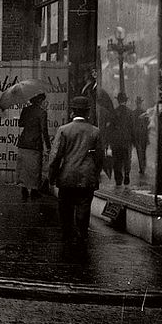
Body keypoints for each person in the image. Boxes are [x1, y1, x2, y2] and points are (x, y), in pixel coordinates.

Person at [49, 95, 104, 248]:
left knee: (65, 209)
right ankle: (81, 237)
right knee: (84, 209)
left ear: (72, 112)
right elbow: (100, 157)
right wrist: (95, 173)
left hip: (66, 177)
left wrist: (52, 177)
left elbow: (55, 157)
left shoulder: (63, 130)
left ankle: (67, 238)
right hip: (86, 178)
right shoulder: (95, 131)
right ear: (87, 112)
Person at [15, 91, 51, 199]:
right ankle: (34, 191)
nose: (45, 102)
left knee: (24, 167)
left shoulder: (26, 110)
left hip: (24, 142)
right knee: (35, 167)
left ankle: (24, 189)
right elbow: (44, 129)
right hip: (35, 143)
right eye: (43, 100)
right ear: (40, 100)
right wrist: (48, 146)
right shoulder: (42, 112)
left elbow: (20, 123)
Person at [107, 92, 135, 186]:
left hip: (116, 141)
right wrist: (133, 140)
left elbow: (110, 128)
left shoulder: (114, 112)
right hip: (127, 140)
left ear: (118, 101)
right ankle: (127, 174)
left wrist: (109, 142)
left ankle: (118, 179)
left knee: (117, 160)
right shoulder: (130, 112)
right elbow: (133, 128)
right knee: (127, 158)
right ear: (126, 101)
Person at [131, 95, 150, 177]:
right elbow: (147, 125)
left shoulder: (134, 113)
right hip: (143, 135)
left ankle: (142, 167)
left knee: (140, 152)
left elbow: (132, 125)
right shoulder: (144, 112)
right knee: (143, 152)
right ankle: (143, 167)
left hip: (138, 135)